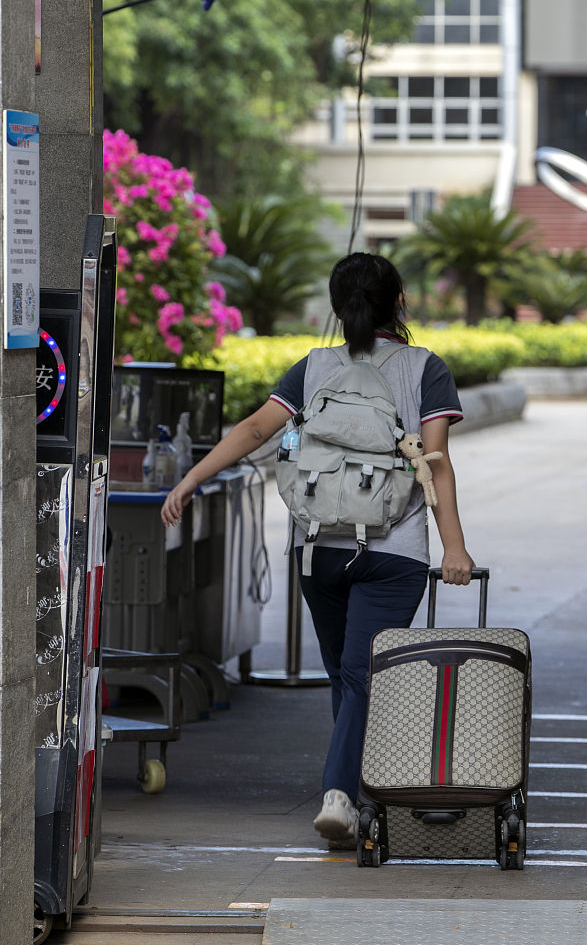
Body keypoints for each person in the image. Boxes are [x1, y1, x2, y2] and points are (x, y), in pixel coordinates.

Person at [161, 252, 474, 846]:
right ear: (399, 301)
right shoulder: (424, 368)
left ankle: (352, 797)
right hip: (393, 551)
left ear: (336, 306)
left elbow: (255, 430)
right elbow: (435, 462)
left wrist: (191, 479)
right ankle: (341, 795)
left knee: (345, 673)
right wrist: (454, 547)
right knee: (361, 675)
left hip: (319, 549)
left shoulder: (314, 367)